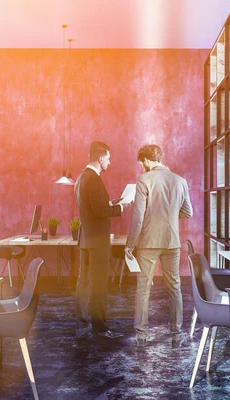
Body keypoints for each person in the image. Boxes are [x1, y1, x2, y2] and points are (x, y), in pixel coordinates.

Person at [124, 144, 193, 347]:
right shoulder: (181, 181)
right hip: (172, 241)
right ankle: (176, 332)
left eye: (141, 163)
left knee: (143, 288)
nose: (141, 166)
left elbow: (138, 217)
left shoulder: (144, 179)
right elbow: (188, 212)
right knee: (175, 287)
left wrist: (130, 243)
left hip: (148, 242)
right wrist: (169, 218)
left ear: (145, 160)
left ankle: (142, 335)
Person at [75, 141, 130, 340]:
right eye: (108, 157)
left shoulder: (82, 177)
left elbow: (94, 206)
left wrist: (111, 203)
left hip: (86, 238)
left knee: (83, 282)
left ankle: (82, 324)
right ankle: (100, 327)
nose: (110, 161)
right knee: (99, 284)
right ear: (100, 158)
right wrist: (121, 208)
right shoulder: (94, 179)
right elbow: (100, 211)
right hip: (98, 240)